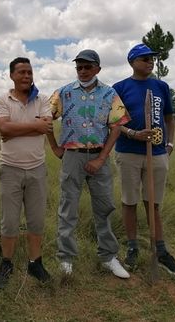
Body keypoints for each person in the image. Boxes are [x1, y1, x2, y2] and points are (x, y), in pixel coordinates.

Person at [48, 49, 130, 279]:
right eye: (79, 67)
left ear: (98, 69)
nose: (83, 71)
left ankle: (108, 256)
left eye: (87, 67)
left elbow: (117, 126)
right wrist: (55, 147)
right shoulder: (64, 93)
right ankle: (66, 258)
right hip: (72, 157)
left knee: (104, 207)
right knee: (68, 208)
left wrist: (101, 158)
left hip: (99, 156)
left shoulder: (109, 94)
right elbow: (45, 118)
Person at [113, 43, 175, 276]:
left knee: (153, 203)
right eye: (144, 59)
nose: (150, 62)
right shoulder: (120, 88)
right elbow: (114, 122)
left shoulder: (161, 86)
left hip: (157, 153)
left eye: (152, 59)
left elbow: (169, 119)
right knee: (129, 201)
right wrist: (133, 133)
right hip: (128, 152)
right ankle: (132, 247)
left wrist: (170, 144)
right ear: (132, 62)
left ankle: (161, 251)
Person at [0, 57, 61, 288]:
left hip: (37, 168)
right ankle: (6, 263)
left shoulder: (42, 100)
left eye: (29, 72)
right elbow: (3, 128)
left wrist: (13, 131)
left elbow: (45, 127)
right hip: (10, 168)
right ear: (11, 75)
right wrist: (34, 127)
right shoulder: (2, 100)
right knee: (9, 220)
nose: (26, 76)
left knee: (36, 219)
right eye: (21, 72)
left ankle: (35, 263)